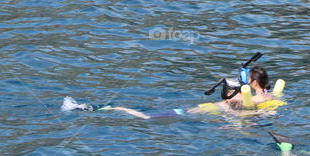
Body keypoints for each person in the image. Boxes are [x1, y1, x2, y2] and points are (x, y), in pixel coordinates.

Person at [79, 65, 278, 120]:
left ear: (252, 82)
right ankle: (113, 108)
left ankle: (113, 108)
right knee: (148, 117)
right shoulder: (269, 96)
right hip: (211, 110)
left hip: (211, 109)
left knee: (150, 117)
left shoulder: (252, 97)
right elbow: (263, 111)